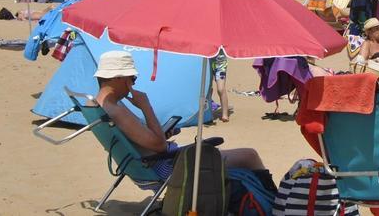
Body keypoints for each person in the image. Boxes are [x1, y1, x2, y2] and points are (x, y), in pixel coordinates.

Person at [90, 51, 265, 181]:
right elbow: (159, 146)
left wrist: (162, 133)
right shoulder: (117, 111)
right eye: (133, 78)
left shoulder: (101, 105)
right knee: (249, 156)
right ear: (118, 77)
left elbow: (150, 141)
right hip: (169, 166)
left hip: (154, 162)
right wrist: (146, 106)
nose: (133, 84)